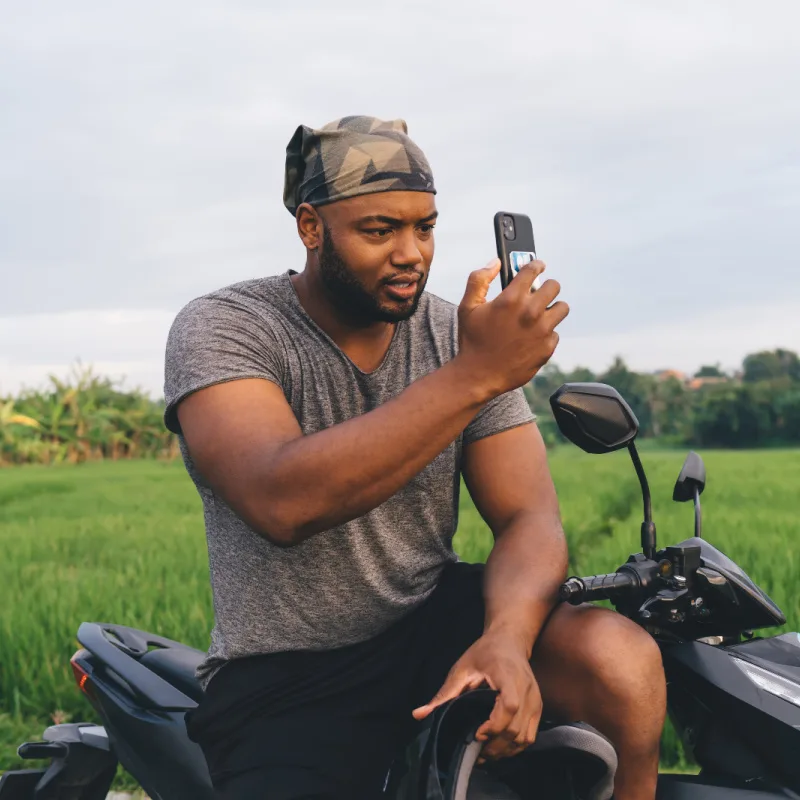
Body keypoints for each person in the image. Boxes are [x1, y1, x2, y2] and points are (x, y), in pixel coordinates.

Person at [163, 115, 666, 800]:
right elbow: (281, 499)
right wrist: (476, 375)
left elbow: (530, 518)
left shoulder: (453, 333)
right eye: (379, 230)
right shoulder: (229, 326)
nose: (411, 253)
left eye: (423, 227)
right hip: (288, 673)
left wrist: (508, 641)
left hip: (429, 622)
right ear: (312, 227)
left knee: (618, 658)